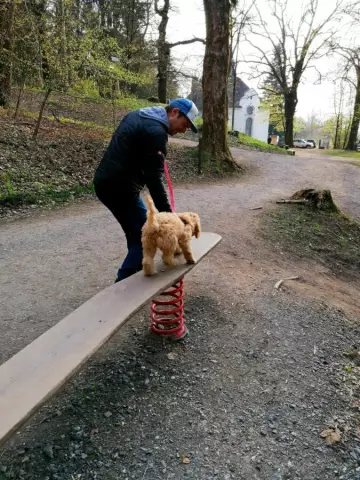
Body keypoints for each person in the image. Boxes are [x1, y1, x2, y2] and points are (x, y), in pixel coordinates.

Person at [93, 98, 199, 282]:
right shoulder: (156, 132)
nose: (184, 129)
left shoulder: (141, 115)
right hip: (120, 189)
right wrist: (170, 218)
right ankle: (122, 287)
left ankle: (130, 275)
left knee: (138, 233)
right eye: (185, 124)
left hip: (106, 182)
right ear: (174, 112)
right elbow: (154, 180)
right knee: (145, 234)